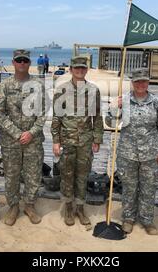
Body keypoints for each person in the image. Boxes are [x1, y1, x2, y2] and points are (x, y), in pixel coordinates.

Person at [0, 49, 46, 225]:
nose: (22, 63)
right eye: (18, 60)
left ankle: (29, 205)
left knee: (33, 175)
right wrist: (16, 133)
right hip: (10, 141)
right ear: (13, 63)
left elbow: (43, 112)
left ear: (29, 63)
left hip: (33, 140)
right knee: (11, 175)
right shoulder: (4, 86)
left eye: (25, 60)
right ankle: (13, 206)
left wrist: (31, 132)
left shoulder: (38, 85)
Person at [115, 69, 158, 235]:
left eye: (144, 81)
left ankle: (147, 219)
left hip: (151, 154)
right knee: (129, 188)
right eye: (137, 81)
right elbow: (110, 122)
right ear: (132, 82)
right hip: (128, 154)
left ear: (148, 82)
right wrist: (115, 109)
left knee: (149, 188)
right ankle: (128, 218)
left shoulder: (157, 103)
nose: (140, 84)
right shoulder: (124, 100)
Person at [51, 56, 103, 226]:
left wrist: (97, 139)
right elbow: (57, 118)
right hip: (67, 140)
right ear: (71, 69)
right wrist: (56, 141)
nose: (79, 71)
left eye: (83, 68)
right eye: (76, 68)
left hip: (86, 141)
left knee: (82, 175)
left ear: (86, 70)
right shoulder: (61, 90)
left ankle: (80, 207)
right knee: (66, 174)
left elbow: (97, 117)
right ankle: (68, 206)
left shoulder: (94, 90)